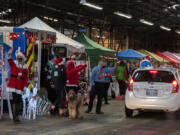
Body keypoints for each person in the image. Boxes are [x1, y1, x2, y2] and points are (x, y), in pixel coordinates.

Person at [7, 48, 28, 123]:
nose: (19, 59)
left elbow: (26, 78)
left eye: (20, 58)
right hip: (13, 84)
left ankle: (16, 116)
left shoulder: (25, 67)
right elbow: (9, 60)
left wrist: (25, 87)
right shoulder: (14, 64)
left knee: (19, 100)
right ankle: (15, 117)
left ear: (23, 59)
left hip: (20, 86)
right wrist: (9, 54)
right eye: (18, 57)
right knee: (15, 100)